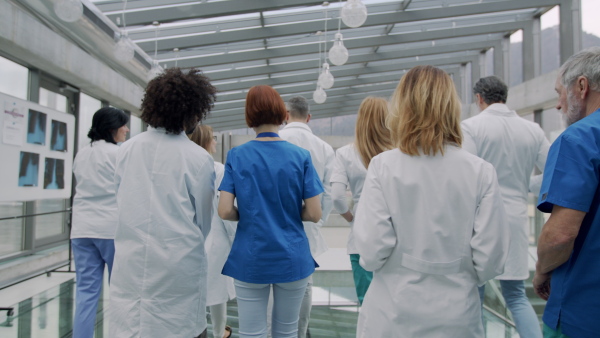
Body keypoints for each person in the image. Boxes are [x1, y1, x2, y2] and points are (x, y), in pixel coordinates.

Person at [353, 65, 510, 337]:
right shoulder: (480, 171)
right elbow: (491, 260)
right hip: (457, 316)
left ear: (402, 106)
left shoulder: (383, 166)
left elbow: (370, 250)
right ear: (452, 107)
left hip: (392, 314)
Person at [109, 68, 217, 338]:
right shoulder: (197, 158)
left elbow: (120, 201)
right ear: (193, 112)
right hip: (178, 265)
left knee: (131, 327)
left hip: (130, 262)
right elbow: (204, 221)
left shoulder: (126, 150)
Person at [218, 85, 323, 338]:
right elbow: (314, 213)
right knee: (287, 332)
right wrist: (288, 212)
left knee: (252, 332)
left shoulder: (236, 155)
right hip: (292, 256)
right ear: (282, 114)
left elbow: (224, 210)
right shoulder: (301, 156)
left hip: (250, 255)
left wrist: (249, 214)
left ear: (249, 116)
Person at [461, 76, 549, 338]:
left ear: (479, 99)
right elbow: (555, 171)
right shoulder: (533, 130)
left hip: (478, 220)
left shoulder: (471, 127)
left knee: (473, 293)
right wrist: (526, 185)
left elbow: (465, 174)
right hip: (515, 220)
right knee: (516, 296)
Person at [534, 47, 600, 338]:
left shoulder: (579, 139)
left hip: (583, 310)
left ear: (582, 87)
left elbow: (560, 235)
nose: (559, 105)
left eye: (560, 92)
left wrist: (541, 271)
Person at [278, 95, 334, 338]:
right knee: (305, 283)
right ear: (309, 117)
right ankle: (299, 333)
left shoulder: (275, 140)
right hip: (308, 225)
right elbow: (330, 192)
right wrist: (319, 220)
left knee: (274, 283)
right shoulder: (324, 148)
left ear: (285, 115)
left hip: (276, 223)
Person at [71, 107, 129, 338]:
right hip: (111, 229)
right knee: (121, 292)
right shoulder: (118, 154)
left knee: (85, 293)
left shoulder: (81, 154)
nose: (126, 129)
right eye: (123, 125)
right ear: (111, 128)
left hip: (82, 230)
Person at [330, 96, 393, 305]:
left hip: (361, 238)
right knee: (393, 305)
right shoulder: (398, 152)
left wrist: (351, 218)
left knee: (367, 304)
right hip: (395, 237)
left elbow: (337, 197)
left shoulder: (346, 153)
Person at [189, 124, 236, 338]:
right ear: (205, 141)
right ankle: (219, 333)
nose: (215, 142)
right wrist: (235, 238)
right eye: (213, 138)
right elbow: (224, 207)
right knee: (217, 294)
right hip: (216, 237)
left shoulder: (187, 163)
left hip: (191, 236)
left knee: (196, 293)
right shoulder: (218, 168)